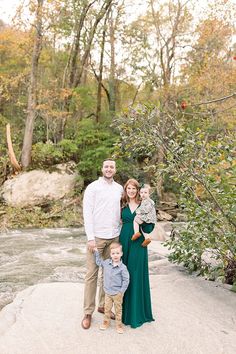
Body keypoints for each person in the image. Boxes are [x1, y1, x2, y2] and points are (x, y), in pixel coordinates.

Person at [81, 159, 123, 330]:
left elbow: (121, 212)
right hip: (96, 238)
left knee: (109, 274)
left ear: (115, 169)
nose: (109, 169)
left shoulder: (119, 188)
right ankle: (87, 312)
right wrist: (90, 237)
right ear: (102, 169)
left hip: (113, 237)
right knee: (92, 274)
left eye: (112, 167)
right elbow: (87, 213)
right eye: (106, 166)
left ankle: (103, 306)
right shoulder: (93, 187)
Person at [119, 178, 155, 328]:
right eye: (129, 189)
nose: (132, 191)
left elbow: (150, 225)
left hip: (138, 244)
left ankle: (137, 313)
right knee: (124, 275)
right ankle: (123, 312)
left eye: (134, 189)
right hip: (124, 242)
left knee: (136, 274)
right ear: (126, 190)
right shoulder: (122, 205)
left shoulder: (144, 205)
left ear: (138, 190)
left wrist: (147, 229)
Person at [94, 242, 130, 334]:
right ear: (110, 254)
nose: (115, 255)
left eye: (117, 253)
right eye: (113, 253)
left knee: (118, 310)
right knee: (107, 309)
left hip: (118, 293)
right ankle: (106, 323)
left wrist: (121, 291)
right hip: (108, 292)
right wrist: (96, 252)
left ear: (121, 254)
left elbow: (126, 280)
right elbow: (98, 262)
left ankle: (118, 325)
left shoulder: (123, 268)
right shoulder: (106, 263)